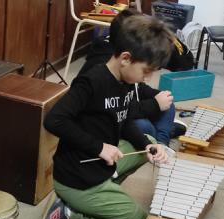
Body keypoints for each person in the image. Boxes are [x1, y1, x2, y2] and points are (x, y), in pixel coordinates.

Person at [38, 15, 172, 219]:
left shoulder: (127, 82)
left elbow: (124, 118)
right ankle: (70, 215)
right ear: (126, 59)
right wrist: (98, 147)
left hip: (100, 165)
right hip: (77, 177)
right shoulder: (91, 81)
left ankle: (107, 187)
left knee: (146, 140)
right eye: (147, 71)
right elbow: (54, 120)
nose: (148, 78)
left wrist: (149, 146)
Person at [78, 9, 191, 145]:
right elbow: (116, 109)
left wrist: (157, 96)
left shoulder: (130, 64)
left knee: (168, 103)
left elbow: (136, 88)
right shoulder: (102, 69)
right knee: (144, 127)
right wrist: (154, 105)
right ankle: (159, 138)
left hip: (129, 108)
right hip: (113, 121)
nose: (148, 76)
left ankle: (162, 143)